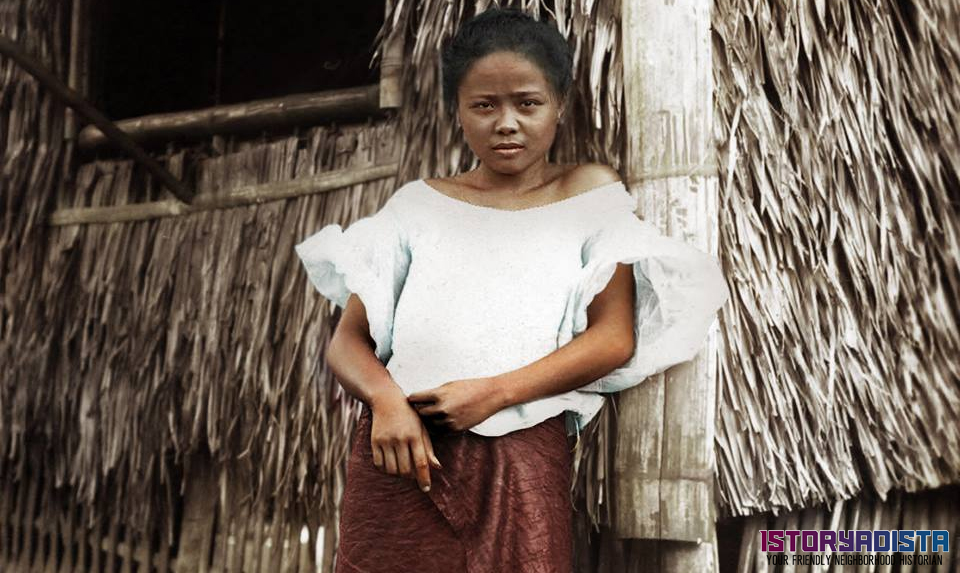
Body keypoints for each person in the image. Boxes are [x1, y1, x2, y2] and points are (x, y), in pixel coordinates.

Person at [294, 8, 729, 573]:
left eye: (527, 103)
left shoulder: (589, 194)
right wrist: (385, 402)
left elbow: (613, 338)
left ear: (560, 106)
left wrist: (495, 393)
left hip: (522, 450)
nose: (507, 123)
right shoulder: (417, 206)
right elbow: (346, 343)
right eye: (484, 105)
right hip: (404, 452)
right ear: (458, 111)